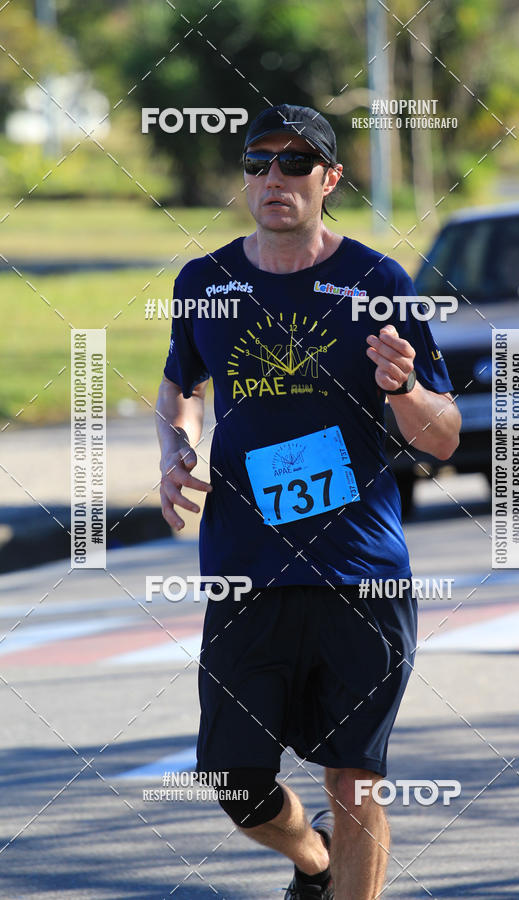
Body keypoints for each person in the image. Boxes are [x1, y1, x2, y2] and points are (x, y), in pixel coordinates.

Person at [156, 104, 461, 900]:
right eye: (259, 162)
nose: (274, 179)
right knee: (234, 779)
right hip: (245, 569)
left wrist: (403, 389)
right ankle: (316, 863)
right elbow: (181, 380)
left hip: (359, 573)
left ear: (330, 180)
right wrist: (175, 446)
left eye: (296, 165)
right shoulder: (206, 282)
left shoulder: (377, 283)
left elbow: (445, 436)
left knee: (353, 780)